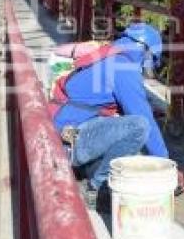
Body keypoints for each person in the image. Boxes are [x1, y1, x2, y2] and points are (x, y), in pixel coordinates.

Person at [52, 23, 170, 209]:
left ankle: (88, 171)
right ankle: (95, 189)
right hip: (69, 141)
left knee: (123, 129)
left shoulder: (110, 55)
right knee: (139, 127)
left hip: (62, 128)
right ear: (146, 53)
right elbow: (143, 118)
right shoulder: (124, 69)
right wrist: (166, 163)